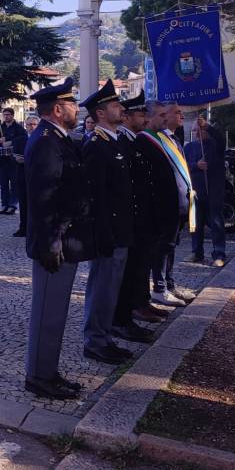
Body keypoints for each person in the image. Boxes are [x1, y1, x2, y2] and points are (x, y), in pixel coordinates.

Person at [23, 77, 91, 400]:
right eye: (72, 104)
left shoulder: (58, 138)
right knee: (47, 313)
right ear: (57, 109)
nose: (77, 109)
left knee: (56, 311)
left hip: (63, 239)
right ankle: (38, 376)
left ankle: (48, 370)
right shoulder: (47, 142)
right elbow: (43, 198)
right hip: (54, 243)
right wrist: (52, 241)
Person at [80, 81, 134, 366]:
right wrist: (102, 234)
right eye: (115, 105)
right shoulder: (96, 146)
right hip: (108, 233)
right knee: (102, 287)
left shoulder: (113, 142)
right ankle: (95, 341)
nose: (121, 109)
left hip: (120, 230)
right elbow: (95, 197)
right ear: (101, 113)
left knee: (111, 288)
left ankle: (105, 337)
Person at [112, 92, 158, 343]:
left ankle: (126, 317)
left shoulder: (133, 142)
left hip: (138, 219)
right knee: (127, 274)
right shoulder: (124, 143)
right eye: (141, 114)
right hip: (130, 220)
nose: (145, 118)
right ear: (127, 117)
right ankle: (121, 320)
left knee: (134, 271)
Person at [133, 101, 188, 309]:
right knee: (159, 250)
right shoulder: (145, 140)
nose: (165, 118)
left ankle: (166, 285)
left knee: (169, 247)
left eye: (167, 114)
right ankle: (158, 288)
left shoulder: (165, 138)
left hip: (174, 206)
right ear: (149, 118)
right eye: (162, 114)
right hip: (159, 209)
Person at [185, 114, 227, 266]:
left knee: (216, 223)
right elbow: (183, 165)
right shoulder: (189, 147)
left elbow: (222, 139)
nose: (197, 133)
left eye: (200, 130)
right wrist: (196, 165)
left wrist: (208, 126)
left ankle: (219, 254)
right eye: (195, 131)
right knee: (195, 225)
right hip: (195, 191)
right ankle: (197, 253)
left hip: (213, 191)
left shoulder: (215, 145)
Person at [0, 108, 26, 215]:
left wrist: (11, 141)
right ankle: (4, 205)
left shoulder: (19, 128)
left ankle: (12, 205)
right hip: (2, 160)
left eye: (8, 114)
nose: (6, 116)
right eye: (4, 115)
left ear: (12, 115)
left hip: (13, 160)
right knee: (3, 184)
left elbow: (23, 139)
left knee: (14, 184)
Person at [12, 115, 39, 237]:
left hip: (37, 176)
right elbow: (13, 157)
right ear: (26, 126)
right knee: (23, 204)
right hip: (22, 175)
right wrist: (16, 159)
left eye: (34, 124)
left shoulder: (43, 139)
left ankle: (37, 229)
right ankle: (23, 228)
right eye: (29, 124)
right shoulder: (19, 140)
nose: (32, 127)